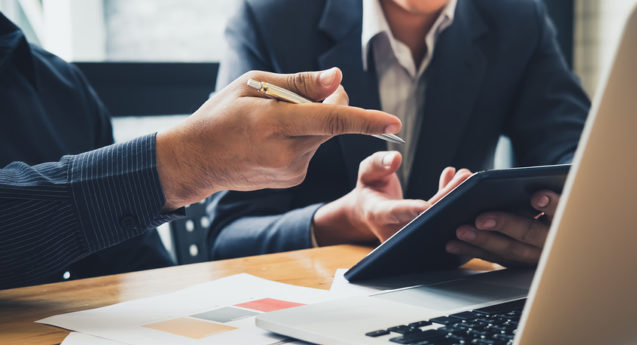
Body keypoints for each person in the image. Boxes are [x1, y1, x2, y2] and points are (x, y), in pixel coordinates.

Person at [0, 12, 400, 290]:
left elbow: (137, 270)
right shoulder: (274, 20)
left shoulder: (61, 87)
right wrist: (180, 164)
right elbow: (226, 233)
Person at [208, 0, 590, 266]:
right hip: (309, 301)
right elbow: (227, 235)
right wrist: (345, 220)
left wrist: (554, 213)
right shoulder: (272, 18)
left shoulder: (519, 20)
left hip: (458, 289)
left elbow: (576, 156)